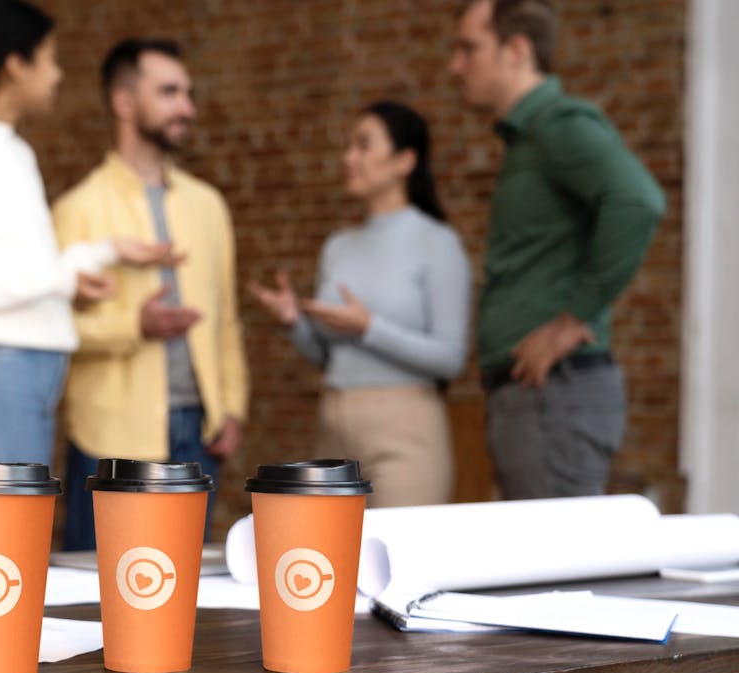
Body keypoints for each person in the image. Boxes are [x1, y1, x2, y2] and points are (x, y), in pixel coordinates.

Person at [0, 0, 171, 468]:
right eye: (49, 59)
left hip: (20, 382)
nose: (58, 74)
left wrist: (101, 255)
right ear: (14, 66)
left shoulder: (14, 152)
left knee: (16, 541)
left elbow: (15, 267)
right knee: (0, 543)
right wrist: (59, 280)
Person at [449, 0, 665, 499]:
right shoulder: (530, 137)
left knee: (555, 567)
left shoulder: (556, 125)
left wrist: (573, 321)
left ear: (517, 50)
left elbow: (638, 201)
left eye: (469, 48)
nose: (455, 65)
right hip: (534, 400)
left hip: (553, 398)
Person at [51, 38, 249, 550]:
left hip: (198, 433)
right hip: (110, 434)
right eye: (169, 92)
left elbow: (226, 318)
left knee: (181, 596)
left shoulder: (209, 206)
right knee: (95, 597)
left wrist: (232, 406)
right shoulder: (78, 209)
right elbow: (56, 328)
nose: (187, 107)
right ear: (123, 102)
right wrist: (134, 328)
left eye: (187, 92)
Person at [249, 102, 471, 508]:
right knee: (333, 565)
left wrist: (369, 327)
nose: (349, 158)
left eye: (364, 145)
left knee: (400, 563)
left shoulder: (437, 243)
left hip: (405, 431)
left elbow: (451, 357)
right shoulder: (338, 246)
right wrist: (294, 323)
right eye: (349, 146)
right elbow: (326, 355)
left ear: (405, 160)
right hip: (333, 427)